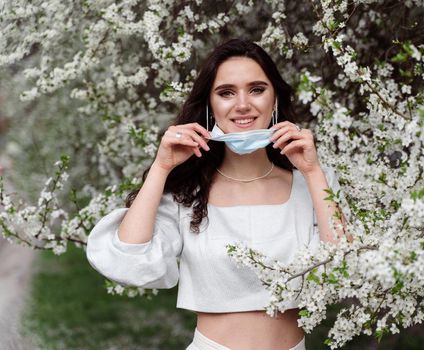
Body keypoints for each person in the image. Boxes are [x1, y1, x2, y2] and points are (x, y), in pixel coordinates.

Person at [86, 38, 347, 350]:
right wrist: (161, 166)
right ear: (210, 106)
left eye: (256, 89)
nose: (242, 104)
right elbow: (129, 258)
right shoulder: (186, 194)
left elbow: (345, 266)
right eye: (226, 93)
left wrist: (313, 171)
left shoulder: (312, 183)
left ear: (275, 99)